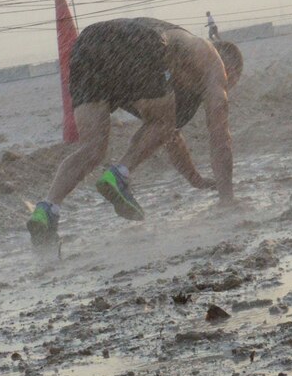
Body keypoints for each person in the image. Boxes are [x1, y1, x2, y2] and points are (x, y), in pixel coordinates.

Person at [28, 18, 240, 249]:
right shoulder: (213, 62)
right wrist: (227, 199)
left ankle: (47, 209)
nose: (226, 90)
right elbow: (220, 136)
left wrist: (194, 179)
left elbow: (167, 134)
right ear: (231, 71)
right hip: (138, 41)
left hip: (88, 44)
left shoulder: (177, 62)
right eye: (230, 85)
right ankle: (119, 174)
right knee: (162, 122)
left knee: (92, 148)